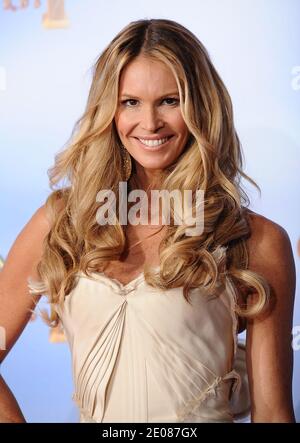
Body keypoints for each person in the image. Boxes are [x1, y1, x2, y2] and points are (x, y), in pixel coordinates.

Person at [0, 18, 296, 423]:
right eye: (130, 102)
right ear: (108, 110)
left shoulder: (255, 239)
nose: (151, 122)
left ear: (200, 107)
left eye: (170, 101)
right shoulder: (62, 223)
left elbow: (274, 413)